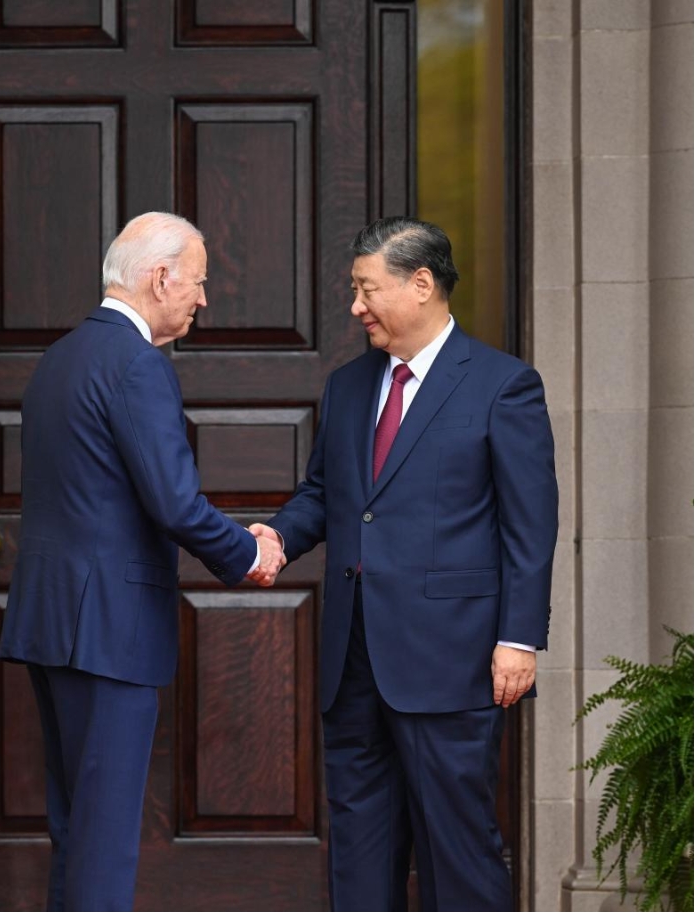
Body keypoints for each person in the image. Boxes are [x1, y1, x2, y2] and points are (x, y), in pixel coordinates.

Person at [250, 217, 558, 911]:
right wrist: (273, 537)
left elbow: (530, 525)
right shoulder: (348, 385)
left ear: (421, 285)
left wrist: (519, 637)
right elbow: (325, 495)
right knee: (359, 850)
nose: (355, 307)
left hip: (451, 659)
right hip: (355, 659)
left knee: (459, 848)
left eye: (366, 289)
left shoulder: (504, 386)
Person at [0, 212, 285, 912]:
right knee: (104, 835)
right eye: (200, 280)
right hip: (109, 630)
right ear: (161, 278)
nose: (204, 298)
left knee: (78, 827)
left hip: (52, 620)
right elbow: (176, 504)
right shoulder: (137, 364)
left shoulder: (60, 357)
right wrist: (251, 551)